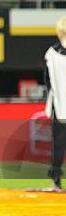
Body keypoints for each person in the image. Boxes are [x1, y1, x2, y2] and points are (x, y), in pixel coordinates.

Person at [44, 16, 66, 191]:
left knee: (58, 144)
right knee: (58, 145)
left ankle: (55, 181)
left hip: (59, 106)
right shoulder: (51, 54)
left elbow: (48, 82)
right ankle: (56, 180)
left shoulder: (51, 53)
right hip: (59, 104)